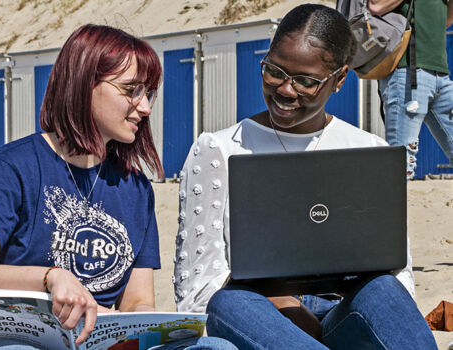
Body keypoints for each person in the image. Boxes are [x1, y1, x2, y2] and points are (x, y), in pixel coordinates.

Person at [0, 24, 236, 350]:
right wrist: (51, 278)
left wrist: (144, 321)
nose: (146, 107)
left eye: (149, 93)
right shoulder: (11, 167)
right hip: (7, 335)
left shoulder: (135, 188)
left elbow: (137, 301)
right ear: (85, 85)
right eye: (131, 90)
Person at [173, 4, 437, 349]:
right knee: (227, 302)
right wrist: (282, 302)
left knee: (384, 290)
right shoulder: (218, 149)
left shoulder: (366, 149)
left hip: (344, 314)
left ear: (340, 79)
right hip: (260, 319)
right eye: (275, 72)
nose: (285, 90)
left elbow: (399, 280)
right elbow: (197, 293)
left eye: (306, 81)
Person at [372, 0, 453, 179]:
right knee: (402, 164)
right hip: (407, 73)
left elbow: (445, 22)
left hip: (440, 74)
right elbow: (375, 6)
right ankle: (391, 206)